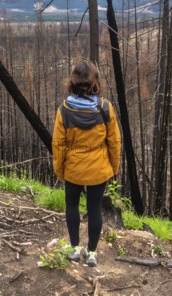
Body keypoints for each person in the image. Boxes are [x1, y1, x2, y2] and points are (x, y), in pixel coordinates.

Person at [52, 61, 121, 267]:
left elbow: (58, 144)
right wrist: (113, 168)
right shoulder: (105, 108)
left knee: (71, 205)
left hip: (73, 169)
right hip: (98, 170)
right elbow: (115, 142)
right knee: (95, 209)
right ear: (95, 82)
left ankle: (74, 249)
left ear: (72, 82)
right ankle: (91, 253)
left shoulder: (64, 110)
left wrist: (60, 170)